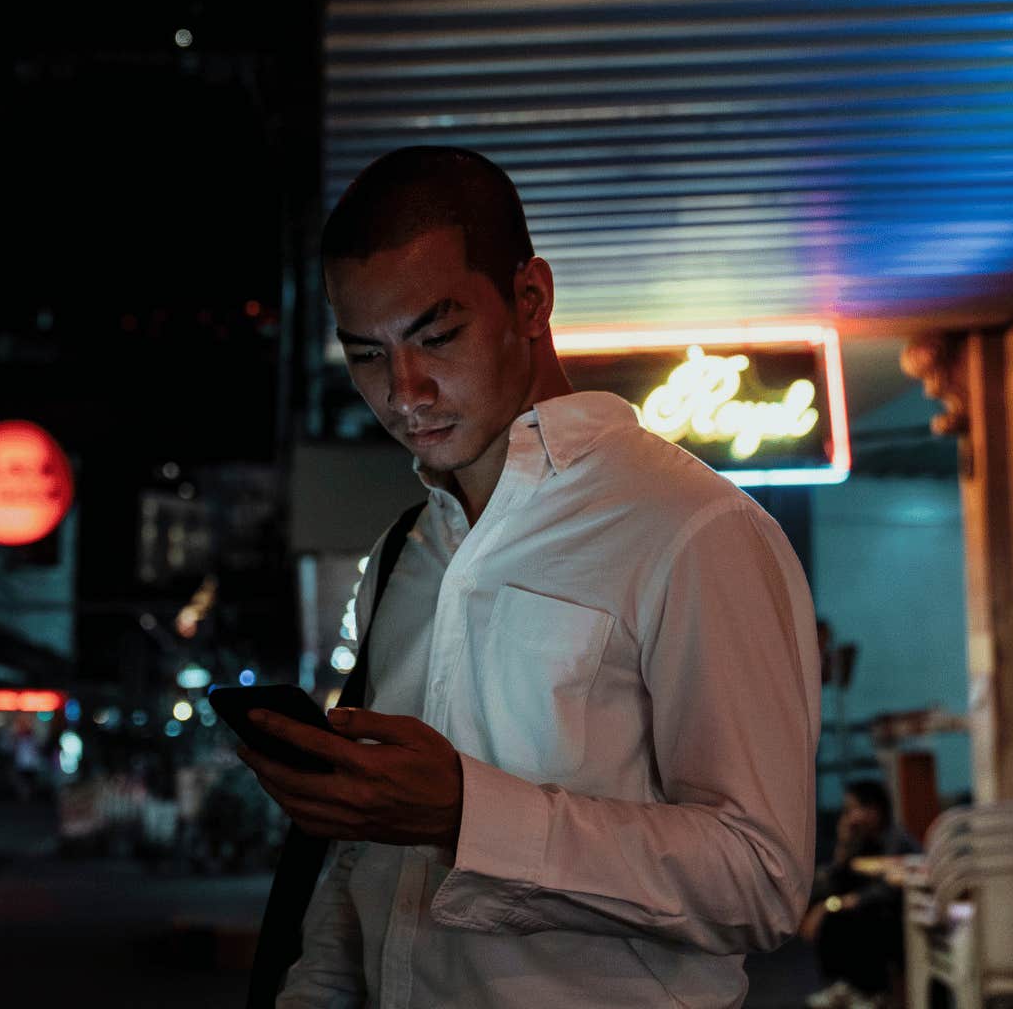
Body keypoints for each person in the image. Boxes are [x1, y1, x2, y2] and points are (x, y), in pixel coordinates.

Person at [240, 146, 821, 1008]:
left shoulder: (694, 529)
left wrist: (467, 814)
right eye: (366, 356)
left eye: (437, 337)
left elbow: (762, 879)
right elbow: (364, 875)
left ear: (531, 300)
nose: (405, 392)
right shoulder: (403, 555)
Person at [800, 780, 921, 1009]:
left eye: (852, 809)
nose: (849, 817)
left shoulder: (896, 841)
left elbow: (887, 891)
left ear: (874, 810)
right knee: (834, 914)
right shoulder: (864, 841)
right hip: (877, 911)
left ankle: (871, 992)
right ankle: (849, 986)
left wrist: (833, 905)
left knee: (849, 917)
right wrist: (844, 845)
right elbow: (832, 882)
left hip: (903, 919)